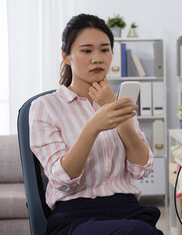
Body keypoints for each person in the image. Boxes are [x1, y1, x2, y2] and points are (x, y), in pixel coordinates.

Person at [29, 13, 163, 235]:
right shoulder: (45, 107)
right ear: (66, 56)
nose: (98, 58)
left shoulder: (117, 102)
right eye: (86, 50)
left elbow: (142, 167)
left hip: (128, 209)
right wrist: (93, 127)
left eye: (104, 49)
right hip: (76, 216)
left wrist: (116, 111)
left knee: (139, 230)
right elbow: (62, 178)